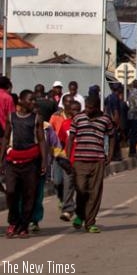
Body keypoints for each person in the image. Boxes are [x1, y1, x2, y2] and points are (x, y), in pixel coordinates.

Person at [1, 90, 47, 239]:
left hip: (31, 163)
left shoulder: (36, 119)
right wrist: (1, 159)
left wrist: (44, 161)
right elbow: (6, 138)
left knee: (29, 195)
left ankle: (24, 226)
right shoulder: (11, 117)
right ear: (21, 100)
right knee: (11, 192)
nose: (33, 102)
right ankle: (13, 222)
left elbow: (41, 140)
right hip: (12, 163)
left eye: (34, 100)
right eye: (30, 100)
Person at [67, 92, 115, 233]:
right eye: (86, 107)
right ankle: (80, 215)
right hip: (80, 160)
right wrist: (67, 157)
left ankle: (90, 222)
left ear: (96, 107)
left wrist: (110, 155)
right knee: (81, 189)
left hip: (97, 160)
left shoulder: (105, 119)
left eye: (90, 108)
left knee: (95, 192)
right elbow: (71, 138)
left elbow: (112, 137)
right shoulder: (78, 118)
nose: (87, 110)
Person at [54, 99, 80, 222]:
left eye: (78, 110)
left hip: (82, 160)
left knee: (81, 187)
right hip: (68, 160)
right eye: (73, 110)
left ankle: (81, 211)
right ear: (69, 111)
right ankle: (68, 209)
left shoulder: (85, 124)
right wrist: (60, 157)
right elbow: (61, 141)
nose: (75, 112)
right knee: (67, 184)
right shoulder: (65, 124)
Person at [104, 83, 126, 161]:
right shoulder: (115, 98)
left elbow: (105, 109)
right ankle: (115, 156)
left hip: (108, 121)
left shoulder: (108, 97)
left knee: (111, 139)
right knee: (115, 139)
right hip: (113, 122)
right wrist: (118, 124)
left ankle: (112, 155)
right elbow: (116, 112)